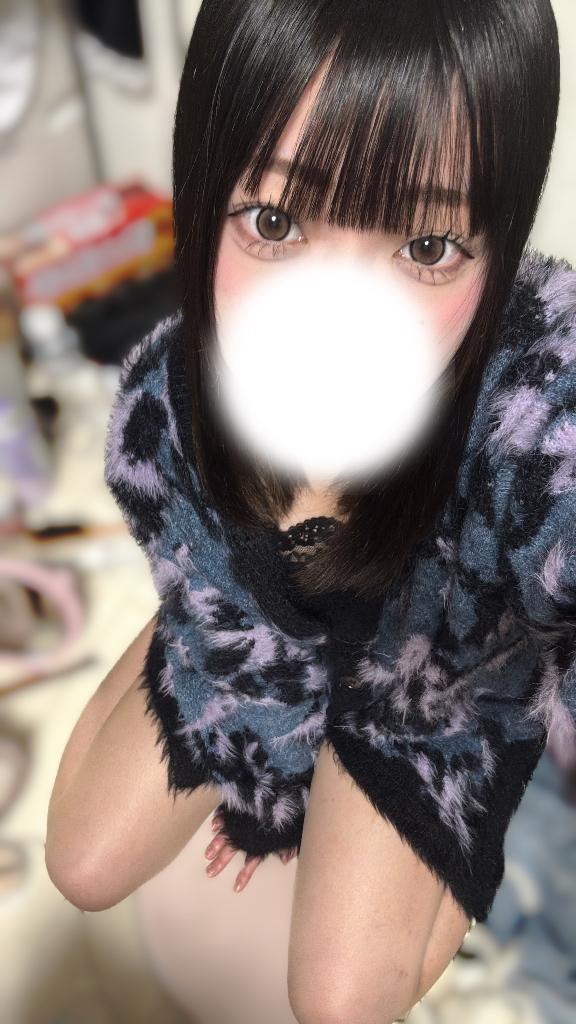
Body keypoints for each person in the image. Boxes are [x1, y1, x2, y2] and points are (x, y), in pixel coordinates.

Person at [46, 3, 573, 1023]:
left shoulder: (529, 418)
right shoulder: (176, 396)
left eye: (426, 244)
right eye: (278, 223)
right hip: (257, 595)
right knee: (82, 862)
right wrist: (242, 684)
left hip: (433, 663)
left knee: (343, 998)